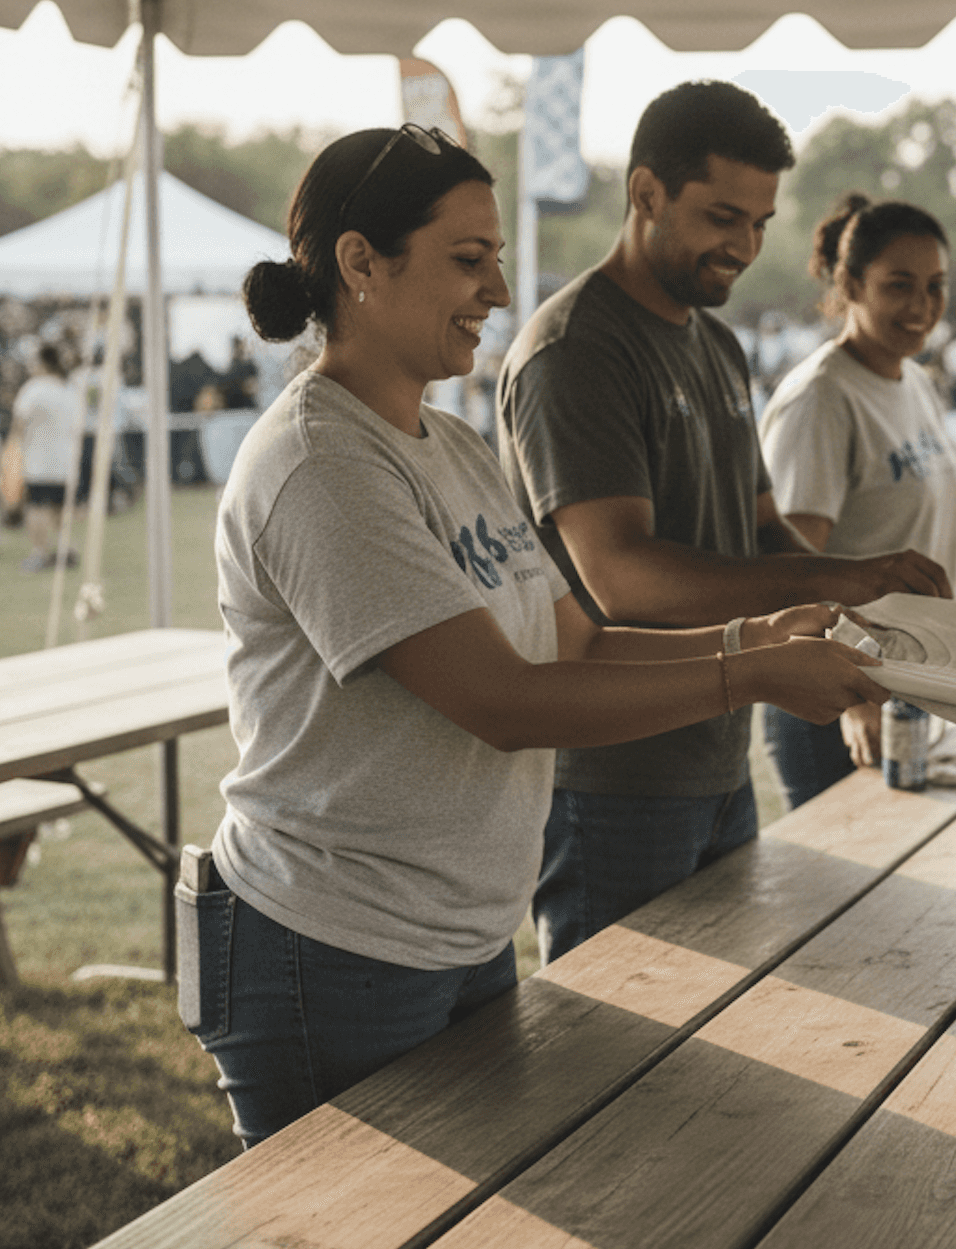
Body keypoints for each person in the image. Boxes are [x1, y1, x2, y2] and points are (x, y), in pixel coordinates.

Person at [190, 123, 883, 1147]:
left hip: (457, 933)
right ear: (361, 263)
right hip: (332, 944)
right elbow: (504, 700)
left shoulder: (452, 443)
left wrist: (756, 635)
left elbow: (581, 644)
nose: (500, 290)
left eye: (498, 258)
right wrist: (754, 675)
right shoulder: (319, 461)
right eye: (469, 259)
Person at [497, 82, 951, 964]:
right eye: (721, 217)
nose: (743, 247)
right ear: (646, 194)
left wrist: (865, 609)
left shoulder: (715, 343)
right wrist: (839, 575)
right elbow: (622, 579)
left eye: (760, 223)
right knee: (614, 1028)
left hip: (717, 751)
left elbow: (763, 527)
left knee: (717, 1024)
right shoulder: (577, 348)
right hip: (613, 772)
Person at [759, 194, 956, 809]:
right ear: (850, 284)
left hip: (912, 689)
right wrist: (853, 698)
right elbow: (790, 574)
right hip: (837, 706)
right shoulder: (821, 399)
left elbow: (931, 554)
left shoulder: (913, 380)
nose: (922, 306)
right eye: (899, 286)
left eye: (936, 286)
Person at [8, 344, 78, 571]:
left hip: (39, 461)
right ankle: (66, 549)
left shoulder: (34, 389)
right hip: (65, 461)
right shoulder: (67, 388)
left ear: (42, 363)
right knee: (60, 508)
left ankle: (39, 552)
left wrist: (10, 453)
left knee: (37, 507)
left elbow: (19, 424)